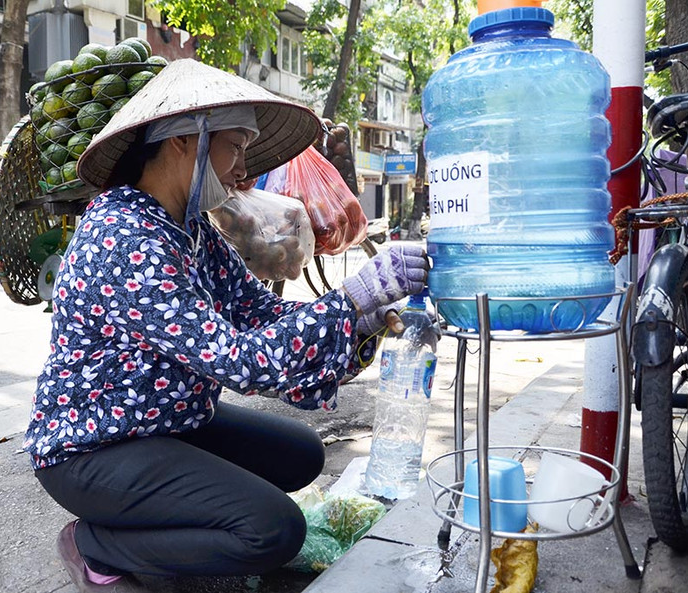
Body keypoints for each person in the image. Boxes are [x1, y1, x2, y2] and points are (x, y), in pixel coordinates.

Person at [23, 59, 428, 593]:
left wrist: (360, 319)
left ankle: (158, 516)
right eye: (235, 148)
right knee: (272, 531)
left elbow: (264, 315)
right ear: (184, 142)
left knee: (300, 455)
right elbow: (240, 359)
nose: (244, 171)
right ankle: (94, 544)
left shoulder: (189, 228)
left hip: (167, 423)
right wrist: (352, 297)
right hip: (95, 448)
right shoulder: (124, 235)